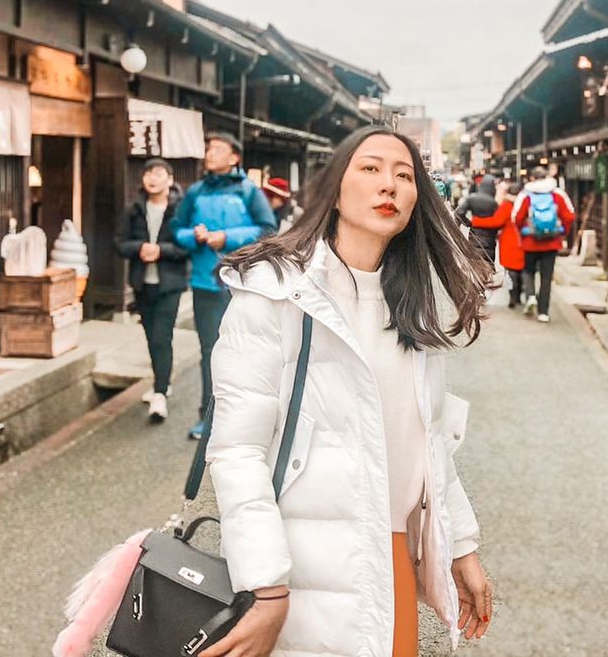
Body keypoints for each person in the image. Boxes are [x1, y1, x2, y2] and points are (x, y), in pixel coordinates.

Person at [204, 125, 494, 657]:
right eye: (371, 168)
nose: (390, 185)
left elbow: (427, 442)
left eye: (405, 176)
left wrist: (462, 549)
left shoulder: (407, 306)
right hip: (301, 565)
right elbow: (236, 449)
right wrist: (265, 584)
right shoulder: (275, 292)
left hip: (390, 555)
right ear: (335, 188)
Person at [171, 132, 276, 440]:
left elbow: (267, 228)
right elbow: (176, 229)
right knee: (210, 351)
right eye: (208, 148)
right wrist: (196, 236)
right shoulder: (195, 192)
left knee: (247, 349)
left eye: (217, 149)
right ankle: (209, 417)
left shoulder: (248, 191)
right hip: (205, 282)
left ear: (234, 157)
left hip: (243, 283)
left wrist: (226, 238)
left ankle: (248, 419)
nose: (210, 153)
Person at [113, 158, 188, 423]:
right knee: (150, 336)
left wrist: (161, 251)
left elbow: (187, 246)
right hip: (142, 283)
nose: (152, 178)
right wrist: (140, 248)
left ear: (169, 179)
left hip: (170, 283)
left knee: (161, 336)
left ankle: (159, 396)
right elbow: (120, 243)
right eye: (148, 173)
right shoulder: (134, 208)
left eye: (158, 173)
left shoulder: (181, 210)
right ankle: (162, 382)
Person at [510, 166, 575, 322]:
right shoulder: (557, 193)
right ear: (546, 177)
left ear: (532, 178)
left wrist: (524, 232)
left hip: (530, 242)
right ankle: (543, 312)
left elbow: (516, 218)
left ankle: (531, 296)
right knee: (546, 277)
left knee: (528, 271)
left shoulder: (525, 194)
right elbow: (570, 215)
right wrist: (560, 232)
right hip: (551, 243)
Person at [470, 178, 526, 308]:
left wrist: (476, 221)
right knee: (523, 270)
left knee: (511, 272)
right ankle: (521, 296)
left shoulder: (507, 205)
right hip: (525, 241)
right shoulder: (526, 203)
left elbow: (496, 222)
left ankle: (513, 296)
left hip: (510, 243)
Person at [454, 173, 499, 263]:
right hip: (490, 239)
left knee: (474, 263)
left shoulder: (472, 198)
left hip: (474, 236)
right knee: (487, 265)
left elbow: (458, 213)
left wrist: (468, 223)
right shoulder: (495, 203)